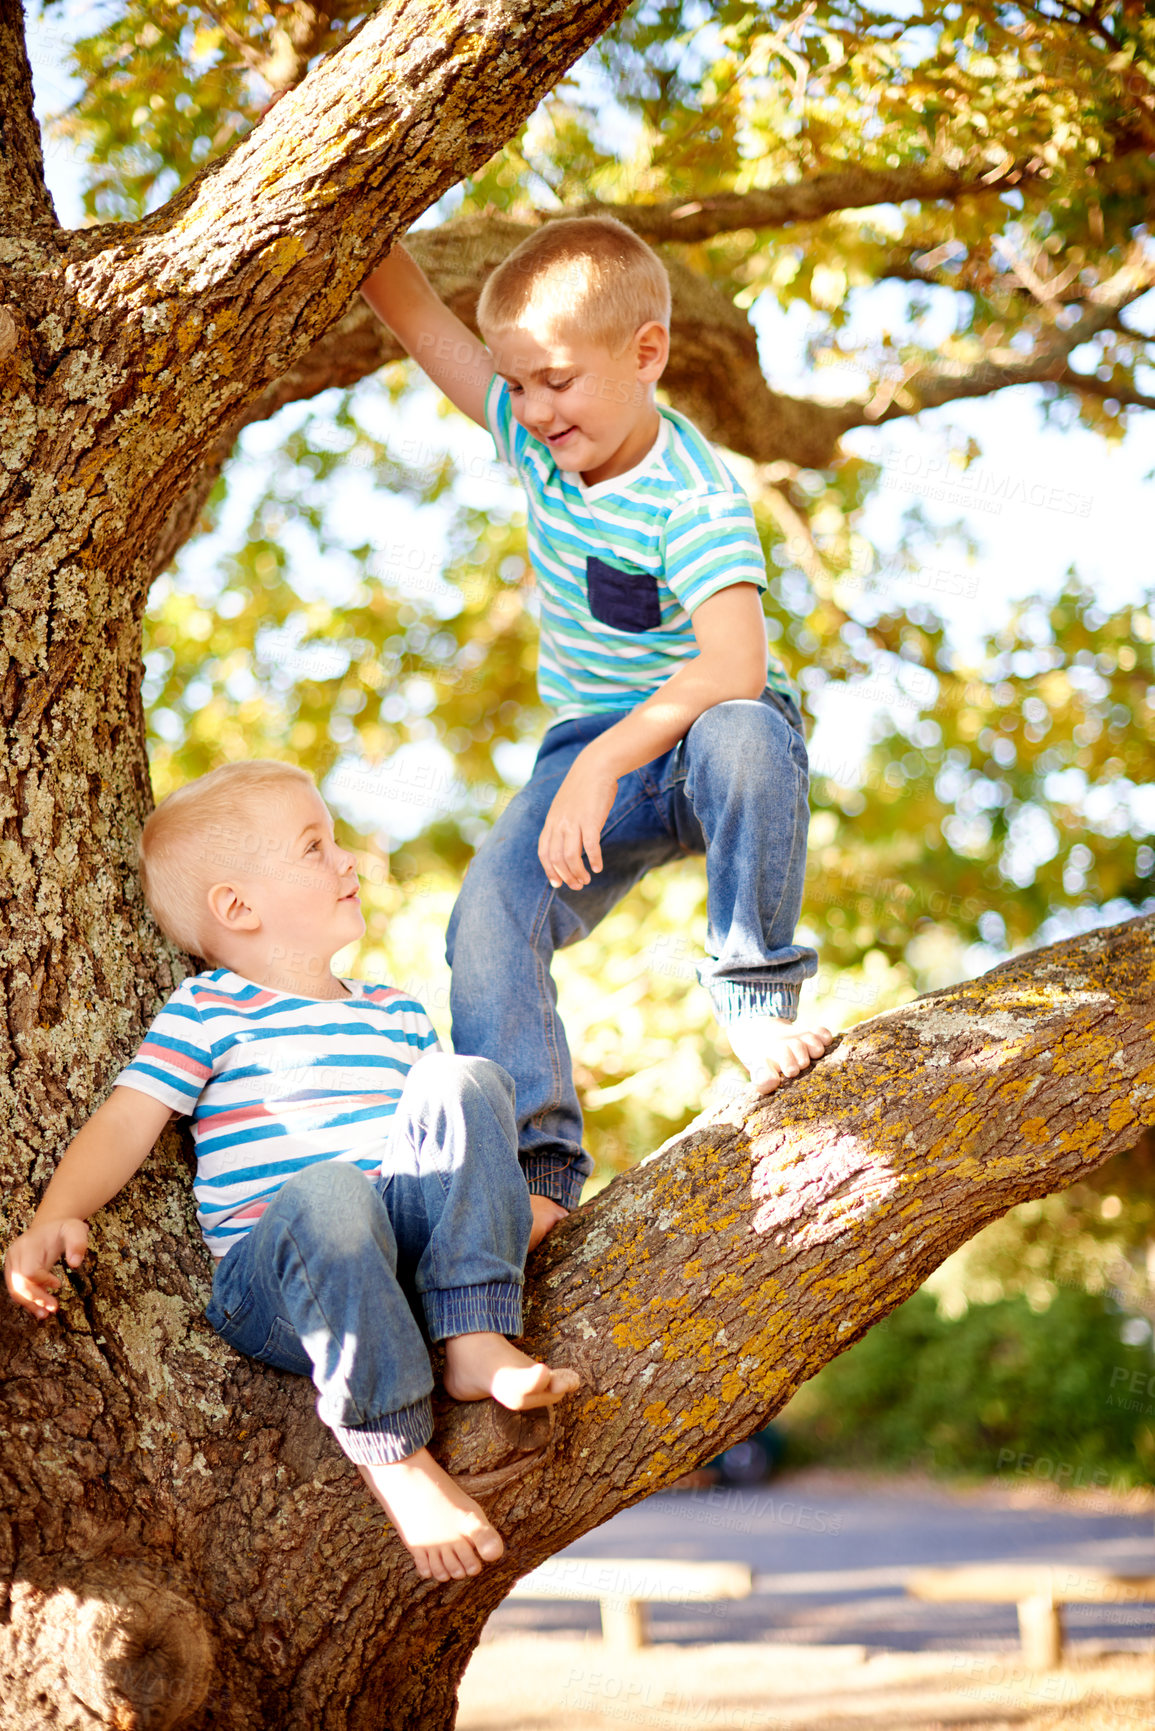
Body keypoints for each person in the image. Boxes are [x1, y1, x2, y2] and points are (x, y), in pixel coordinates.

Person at [361, 215, 832, 1230]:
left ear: (646, 351)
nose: (530, 408)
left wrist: (607, 759)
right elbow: (412, 312)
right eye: (516, 382)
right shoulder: (533, 445)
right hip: (592, 756)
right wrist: (344, 219)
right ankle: (535, 1175)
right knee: (487, 912)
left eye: (556, 381)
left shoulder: (694, 499)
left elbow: (735, 668)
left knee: (748, 730)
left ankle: (756, 993)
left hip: (704, 742)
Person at [3, 760, 578, 1584]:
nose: (346, 860)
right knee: (330, 1188)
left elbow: (449, 1146)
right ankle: (394, 1458)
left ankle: (472, 1333)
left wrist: (503, 1208)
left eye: (336, 841)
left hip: (404, 1261)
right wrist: (57, 1211)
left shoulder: (396, 1010)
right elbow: (129, 1116)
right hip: (284, 1283)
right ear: (236, 907)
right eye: (316, 846)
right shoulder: (209, 1010)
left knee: (468, 1078)